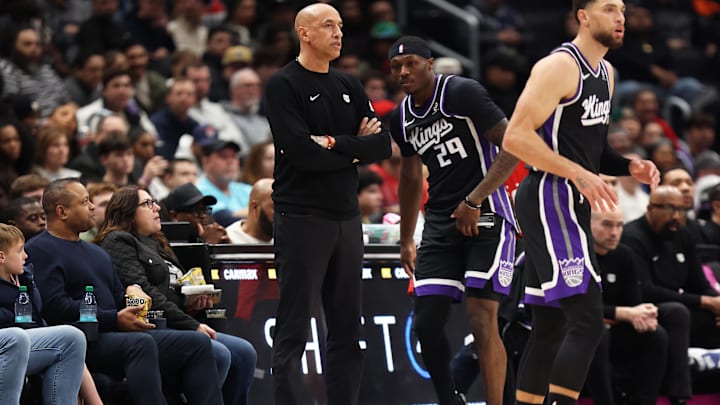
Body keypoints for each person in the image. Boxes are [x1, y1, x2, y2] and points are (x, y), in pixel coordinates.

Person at [501, 1, 660, 404]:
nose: (620, 17)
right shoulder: (559, 66)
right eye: (609, 8)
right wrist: (577, 172)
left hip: (570, 196)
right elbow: (516, 137)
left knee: (550, 328)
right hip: (550, 195)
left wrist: (629, 166)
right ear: (583, 16)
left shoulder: (605, 73)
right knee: (588, 323)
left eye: (622, 9)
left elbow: (592, 150)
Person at [263, 3, 392, 404]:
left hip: (347, 217)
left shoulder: (350, 84)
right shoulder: (283, 85)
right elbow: (301, 153)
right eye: (327, 26)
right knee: (295, 327)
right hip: (301, 216)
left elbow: (381, 144)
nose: (339, 33)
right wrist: (354, 146)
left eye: (339, 26)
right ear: (304, 33)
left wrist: (335, 142)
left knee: (347, 328)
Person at [387, 35, 518, 405]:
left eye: (410, 63)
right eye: (396, 67)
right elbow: (412, 178)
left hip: (488, 212)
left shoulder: (462, 92)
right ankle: (450, 399)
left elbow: (512, 144)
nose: (403, 72)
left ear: (430, 63)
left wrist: (475, 199)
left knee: (481, 320)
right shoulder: (401, 117)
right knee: (427, 324)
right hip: (442, 224)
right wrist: (406, 237)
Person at [25, 178, 224, 405]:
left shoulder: (96, 253)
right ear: (62, 211)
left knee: (196, 344)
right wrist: (114, 319)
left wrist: (135, 297)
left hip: (114, 332)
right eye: (85, 202)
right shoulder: (39, 249)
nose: (92, 207)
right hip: (80, 339)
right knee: (141, 344)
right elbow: (55, 308)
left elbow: (119, 298)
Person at [95, 186, 257, 405]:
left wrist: (190, 302)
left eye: (155, 202)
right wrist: (191, 324)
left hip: (177, 320)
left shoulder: (158, 241)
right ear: (127, 212)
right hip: (155, 324)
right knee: (219, 354)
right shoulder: (119, 241)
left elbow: (172, 289)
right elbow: (143, 290)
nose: (157, 208)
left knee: (245, 352)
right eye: (147, 204)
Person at [585, 207, 690, 405]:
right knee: (598, 331)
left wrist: (643, 314)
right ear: (589, 224)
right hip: (583, 330)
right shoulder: (580, 256)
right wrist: (624, 313)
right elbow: (581, 308)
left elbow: (633, 302)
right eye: (607, 225)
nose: (614, 232)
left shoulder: (625, 255)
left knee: (656, 333)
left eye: (619, 226)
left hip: (615, 327)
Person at [622, 186, 720, 353]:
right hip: (644, 308)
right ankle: (678, 379)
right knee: (678, 313)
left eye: (681, 210)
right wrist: (705, 301)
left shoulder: (682, 234)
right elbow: (646, 291)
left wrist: (716, 303)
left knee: (712, 317)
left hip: (680, 304)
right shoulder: (632, 237)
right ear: (650, 208)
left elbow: (699, 284)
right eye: (669, 209)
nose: (676, 216)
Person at [0, 223, 87, 404]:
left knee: (72, 337)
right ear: (2, 257)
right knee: (16, 336)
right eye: (20, 251)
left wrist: (26, 283)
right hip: (9, 343)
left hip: (19, 345)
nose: (26, 256)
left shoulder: (23, 279)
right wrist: (13, 315)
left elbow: (37, 319)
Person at [164, 182, 231, 244]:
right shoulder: (165, 243)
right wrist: (207, 244)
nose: (203, 216)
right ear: (174, 216)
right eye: (196, 211)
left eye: (205, 210)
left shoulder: (210, 234)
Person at [226, 178, 274, 244]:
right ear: (255, 207)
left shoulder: (288, 242)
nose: (283, 214)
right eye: (276, 208)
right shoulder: (228, 241)